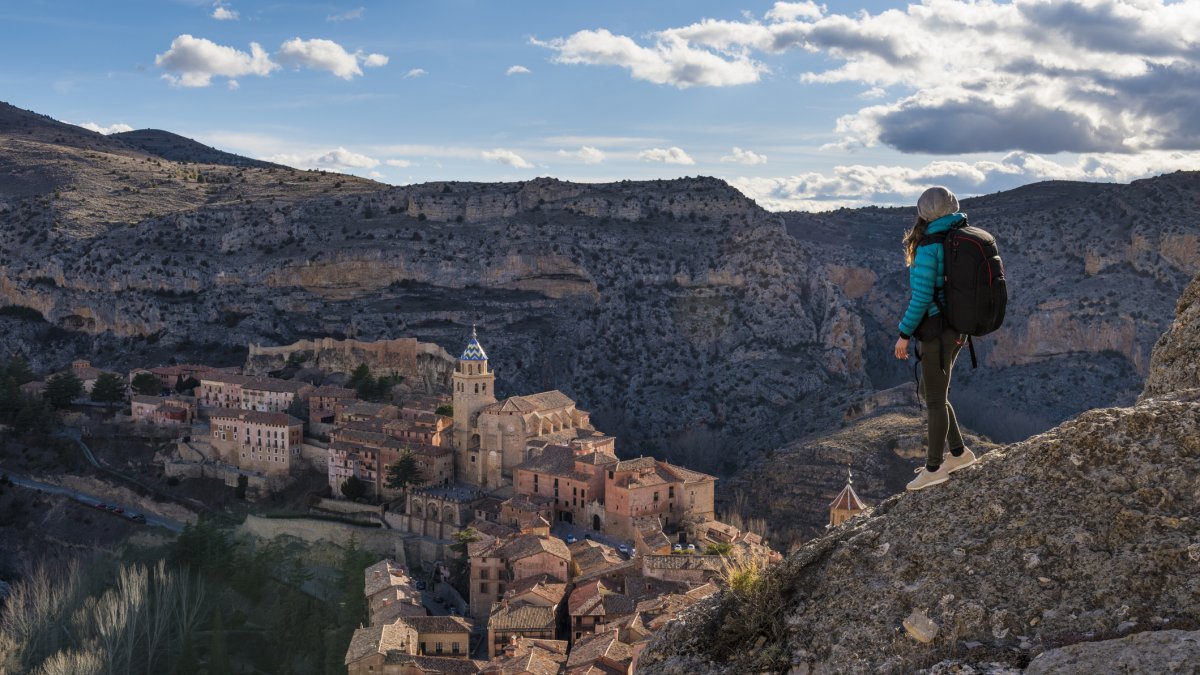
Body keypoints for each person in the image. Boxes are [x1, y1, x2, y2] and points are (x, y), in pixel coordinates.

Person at [894, 186, 978, 491]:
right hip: (955, 328)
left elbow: (921, 298)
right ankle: (959, 453)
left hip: (936, 330)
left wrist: (904, 334)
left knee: (933, 399)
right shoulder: (959, 235)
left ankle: (933, 469)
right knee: (933, 390)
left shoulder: (930, 247)